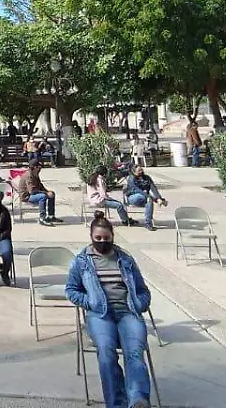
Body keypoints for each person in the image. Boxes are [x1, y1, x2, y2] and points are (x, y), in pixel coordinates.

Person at [66, 211, 156, 408]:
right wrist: (89, 301)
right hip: (100, 314)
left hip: (128, 312)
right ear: (91, 237)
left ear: (113, 237)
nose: (102, 241)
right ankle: (116, 403)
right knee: (106, 352)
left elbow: (143, 291)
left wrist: (138, 304)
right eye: (98, 238)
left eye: (106, 238)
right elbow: (71, 290)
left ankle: (138, 400)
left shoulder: (125, 259)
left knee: (134, 352)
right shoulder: (82, 262)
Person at [123, 166, 167, 232]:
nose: (141, 172)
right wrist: (154, 199)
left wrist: (159, 198)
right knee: (145, 197)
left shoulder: (147, 178)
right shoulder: (131, 178)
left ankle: (148, 223)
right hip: (133, 198)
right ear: (134, 172)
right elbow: (138, 190)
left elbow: (153, 188)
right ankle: (153, 200)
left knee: (149, 202)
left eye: (141, 170)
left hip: (145, 197)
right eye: (139, 171)